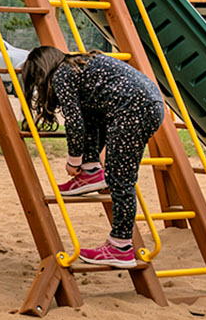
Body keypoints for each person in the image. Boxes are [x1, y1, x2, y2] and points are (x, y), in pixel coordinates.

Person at [18, 45, 164, 269]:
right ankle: (92, 171)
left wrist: (73, 161)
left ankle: (121, 246)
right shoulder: (81, 67)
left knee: (120, 179)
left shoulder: (61, 75)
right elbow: (88, 120)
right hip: (149, 102)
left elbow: (75, 123)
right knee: (93, 117)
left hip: (132, 108)